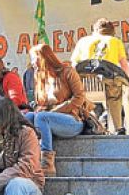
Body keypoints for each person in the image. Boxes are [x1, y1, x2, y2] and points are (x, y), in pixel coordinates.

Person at [25, 44, 88, 176]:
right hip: (49, 119)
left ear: (42, 58)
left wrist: (53, 112)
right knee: (28, 117)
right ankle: (27, 158)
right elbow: (40, 104)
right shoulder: (39, 76)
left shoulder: (68, 71)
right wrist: (40, 109)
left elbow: (79, 98)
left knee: (42, 117)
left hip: (72, 120)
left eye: (33, 58)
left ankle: (47, 163)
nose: (31, 63)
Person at [71, 18, 129, 134]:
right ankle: (119, 127)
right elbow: (124, 67)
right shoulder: (115, 41)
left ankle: (84, 125)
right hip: (108, 85)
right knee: (115, 96)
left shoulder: (83, 41)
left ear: (95, 29)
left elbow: (74, 65)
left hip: (85, 89)